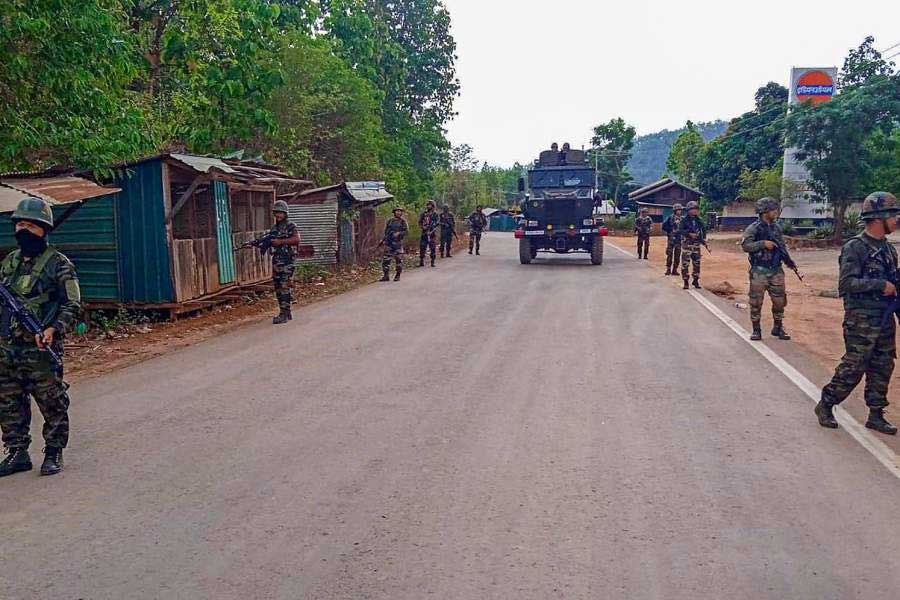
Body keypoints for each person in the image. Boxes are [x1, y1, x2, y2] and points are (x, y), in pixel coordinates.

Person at [0, 197, 81, 477]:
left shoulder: (59, 264)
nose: (23, 230)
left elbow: (72, 304)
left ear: (44, 229)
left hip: (41, 347)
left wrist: (53, 328)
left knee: (51, 400)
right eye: (19, 224)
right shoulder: (9, 262)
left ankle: (54, 451)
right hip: (8, 348)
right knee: (8, 400)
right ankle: (17, 452)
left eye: (30, 226)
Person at [815, 192, 900, 435]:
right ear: (878, 218)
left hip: (884, 317)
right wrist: (879, 285)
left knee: (883, 365)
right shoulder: (855, 247)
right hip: (861, 319)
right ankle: (826, 403)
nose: (896, 219)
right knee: (855, 365)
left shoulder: (888, 249)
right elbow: (846, 285)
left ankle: (876, 414)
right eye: (893, 215)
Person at [741, 197, 798, 341]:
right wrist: (762, 243)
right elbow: (745, 246)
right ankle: (756, 330)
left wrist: (789, 261)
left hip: (776, 270)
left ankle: (778, 327)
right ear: (765, 211)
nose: (776, 212)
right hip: (759, 270)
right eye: (773, 209)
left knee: (780, 301)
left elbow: (782, 247)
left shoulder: (776, 228)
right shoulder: (753, 228)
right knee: (756, 302)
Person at [269, 200, 300, 325]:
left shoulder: (291, 226)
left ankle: (284, 313)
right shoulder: (274, 228)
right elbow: (271, 242)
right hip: (277, 261)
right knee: (277, 287)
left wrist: (280, 242)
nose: (278, 215)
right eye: (276, 212)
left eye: (280, 213)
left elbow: (297, 239)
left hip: (288, 261)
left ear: (285, 213)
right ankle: (285, 311)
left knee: (284, 286)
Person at [678, 201, 706, 290]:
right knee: (685, 264)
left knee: (697, 263)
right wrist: (689, 234)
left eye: (696, 209)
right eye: (693, 209)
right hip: (687, 245)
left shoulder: (699, 220)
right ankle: (686, 281)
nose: (695, 211)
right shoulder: (684, 220)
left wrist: (703, 240)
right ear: (688, 210)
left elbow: (703, 230)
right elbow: (680, 230)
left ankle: (696, 280)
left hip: (696, 245)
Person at [380, 207, 409, 282]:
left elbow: (406, 231)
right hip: (389, 243)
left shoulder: (403, 221)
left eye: (400, 211)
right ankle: (386, 276)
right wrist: (383, 240)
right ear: (394, 212)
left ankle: (397, 275)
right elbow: (386, 232)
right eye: (397, 211)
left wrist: (399, 233)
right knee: (386, 260)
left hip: (398, 243)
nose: (399, 213)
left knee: (398, 260)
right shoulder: (390, 221)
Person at [662, 203, 684, 276]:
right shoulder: (670, 218)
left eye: (680, 210)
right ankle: (668, 269)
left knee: (677, 255)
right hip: (671, 239)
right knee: (669, 254)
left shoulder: (683, 219)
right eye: (678, 210)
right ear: (674, 210)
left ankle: (675, 269)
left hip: (679, 240)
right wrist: (670, 230)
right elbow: (664, 227)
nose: (679, 211)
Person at [418, 200, 440, 267]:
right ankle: (421, 261)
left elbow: (437, 222)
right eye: (427, 205)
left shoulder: (435, 214)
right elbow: (420, 222)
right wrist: (423, 227)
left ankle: (432, 262)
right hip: (424, 233)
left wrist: (433, 227)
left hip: (432, 233)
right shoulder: (424, 213)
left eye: (430, 205)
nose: (428, 206)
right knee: (422, 247)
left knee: (432, 248)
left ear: (433, 206)